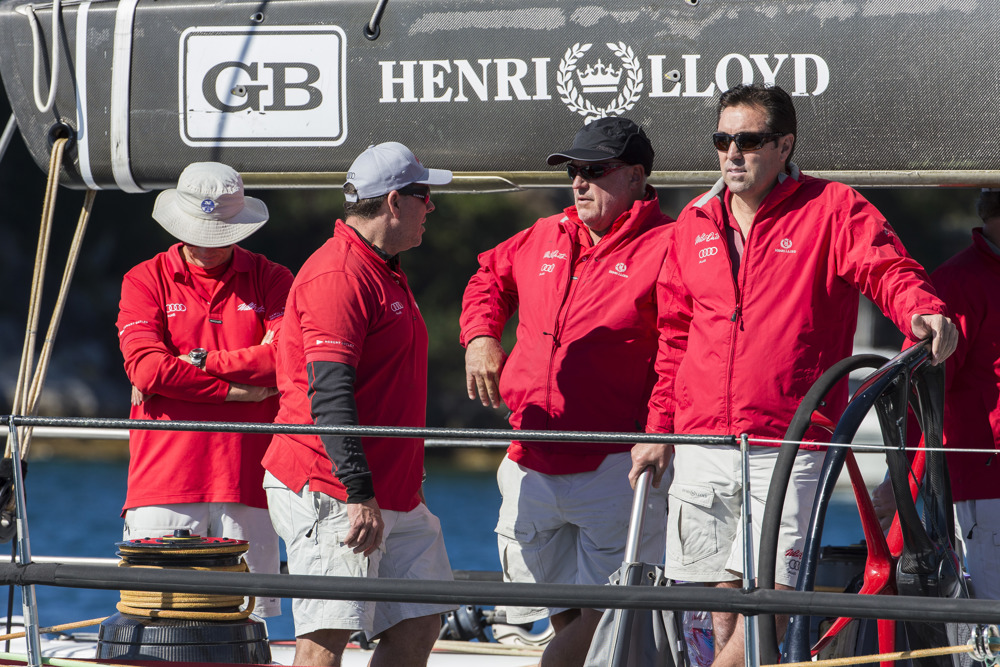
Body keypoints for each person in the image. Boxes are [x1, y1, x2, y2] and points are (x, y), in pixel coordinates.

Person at [630, 84, 958, 666]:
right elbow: (674, 339)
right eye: (722, 140)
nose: (733, 153)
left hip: (788, 442)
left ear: (784, 145)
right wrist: (659, 430)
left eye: (749, 140)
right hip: (700, 442)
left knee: (768, 599)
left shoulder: (831, 209)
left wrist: (921, 310)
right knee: (718, 606)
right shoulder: (693, 224)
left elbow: (887, 267)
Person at [461, 117, 674, 667]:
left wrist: (657, 435)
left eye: (593, 171)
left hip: (615, 464)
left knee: (601, 614)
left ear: (635, 175)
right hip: (529, 457)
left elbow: (684, 348)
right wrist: (481, 337)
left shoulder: (670, 245)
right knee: (561, 610)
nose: (578, 183)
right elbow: (487, 276)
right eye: (573, 171)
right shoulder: (543, 234)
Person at [262, 142, 455, 667]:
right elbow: (330, 393)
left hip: (388, 490)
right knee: (327, 636)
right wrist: (359, 491)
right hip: (335, 486)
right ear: (394, 202)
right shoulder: (341, 275)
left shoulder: (380, 266)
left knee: (420, 621)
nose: (430, 207)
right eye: (423, 196)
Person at [116, 161, 293, 618]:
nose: (210, 245)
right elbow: (147, 371)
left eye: (222, 231)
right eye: (201, 230)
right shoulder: (143, 278)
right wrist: (236, 392)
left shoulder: (274, 278)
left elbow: (285, 361)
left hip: (250, 479)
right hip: (164, 479)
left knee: (249, 624)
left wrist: (197, 363)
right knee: (155, 623)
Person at [929, 188, 1000, 600]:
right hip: (986, 484)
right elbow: (926, 392)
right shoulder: (958, 282)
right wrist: (898, 477)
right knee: (990, 632)